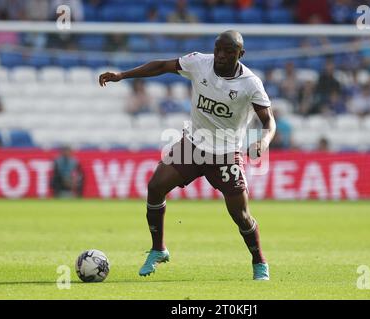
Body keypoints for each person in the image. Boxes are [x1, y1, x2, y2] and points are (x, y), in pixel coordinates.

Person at [99, 30, 276, 281]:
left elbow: (269, 122)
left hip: (225, 154)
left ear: (241, 54)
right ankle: (158, 249)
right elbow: (161, 65)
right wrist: (123, 75)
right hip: (192, 145)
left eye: (228, 51)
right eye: (218, 49)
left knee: (240, 214)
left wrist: (264, 141)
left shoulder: (250, 84)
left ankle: (259, 262)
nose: (221, 55)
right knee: (156, 186)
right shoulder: (199, 62)